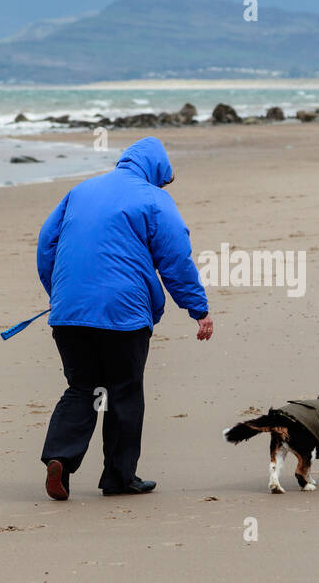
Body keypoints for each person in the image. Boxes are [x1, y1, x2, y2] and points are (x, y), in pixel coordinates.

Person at [36, 136, 214, 499]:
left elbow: (46, 245)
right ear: (156, 170)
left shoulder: (80, 190)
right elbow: (175, 259)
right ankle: (119, 478)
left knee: (82, 387)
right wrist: (199, 309)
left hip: (69, 314)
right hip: (123, 316)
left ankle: (60, 458)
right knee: (124, 391)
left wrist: (59, 294)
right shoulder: (153, 199)